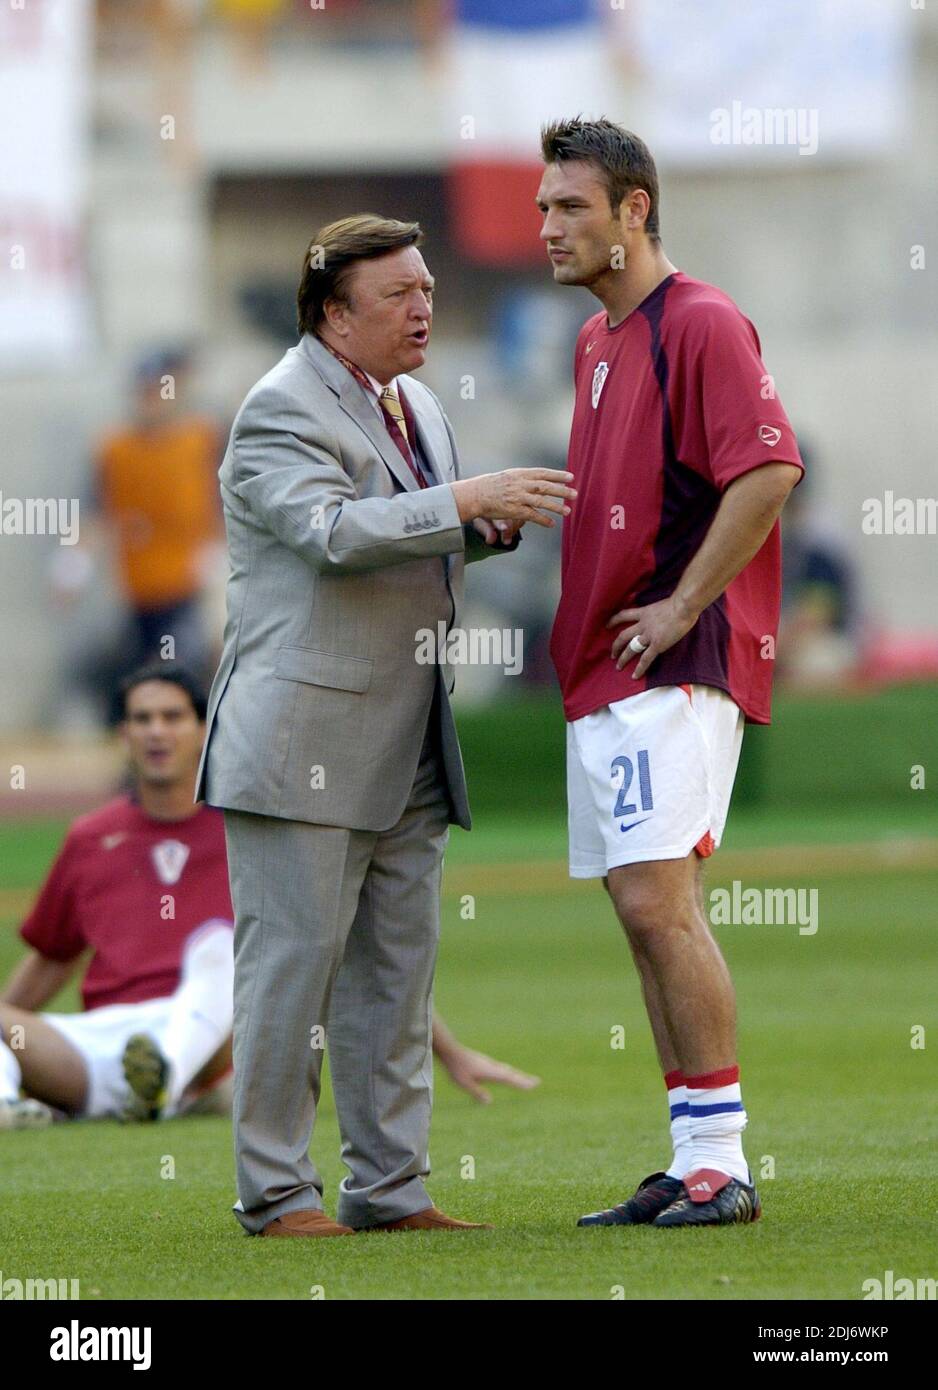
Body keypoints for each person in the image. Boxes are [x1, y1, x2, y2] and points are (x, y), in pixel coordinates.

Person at [196, 214, 573, 1238]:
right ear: (331, 313)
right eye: (398, 295)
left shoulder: (412, 402)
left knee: (395, 979)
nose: (422, 308)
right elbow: (328, 533)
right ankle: (275, 1194)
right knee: (293, 973)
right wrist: (462, 497)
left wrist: (481, 529)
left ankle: (389, 1188)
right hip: (299, 743)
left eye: (426, 290)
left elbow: (408, 544)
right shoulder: (278, 408)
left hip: (405, 735)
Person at [536, 118, 803, 1228]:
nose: (547, 227)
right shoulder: (599, 341)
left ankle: (720, 1166)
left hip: (670, 658)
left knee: (659, 900)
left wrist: (687, 602)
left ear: (632, 209)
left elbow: (769, 466)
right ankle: (689, 1154)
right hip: (603, 668)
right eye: (544, 206)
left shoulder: (695, 320)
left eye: (569, 207)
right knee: (640, 910)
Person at [0, 662, 541, 1130]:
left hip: (216, 1039)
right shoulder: (90, 837)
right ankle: (23, 1104)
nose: (156, 733)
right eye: (142, 719)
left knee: (223, 948)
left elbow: (340, 941)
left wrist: (447, 1052)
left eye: (171, 717)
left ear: (202, 728)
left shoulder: (249, 827)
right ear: (123, 734)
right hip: (102, 1045)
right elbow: (52, 958)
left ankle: (173, 1081)